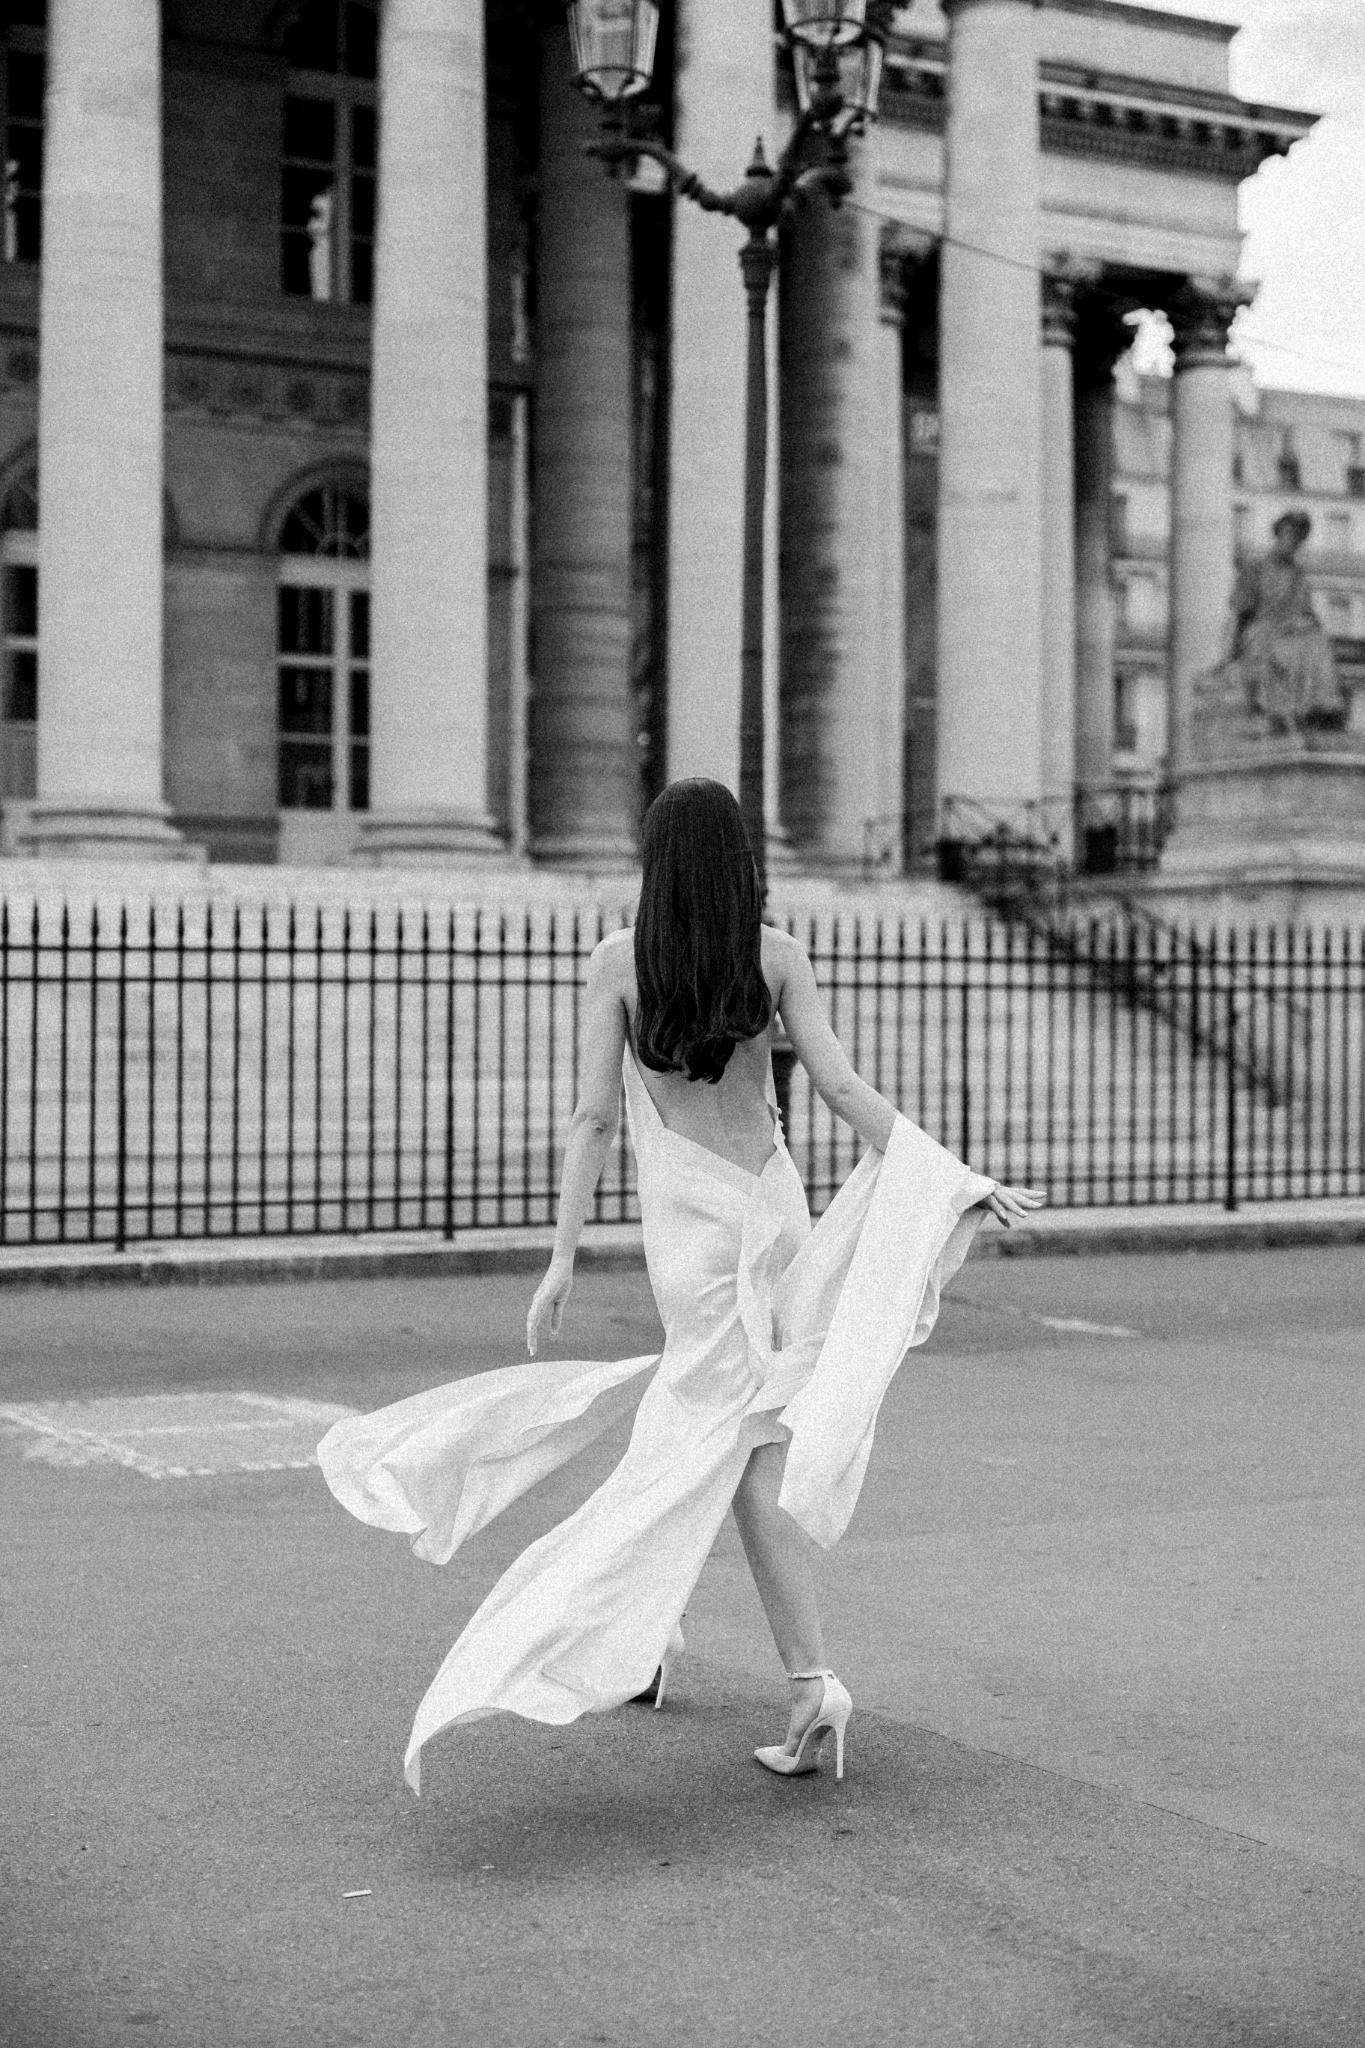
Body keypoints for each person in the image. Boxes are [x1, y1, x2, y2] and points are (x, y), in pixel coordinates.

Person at [319, 779, 1043, 1792]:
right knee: (716, 1427)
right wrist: (954, 1176)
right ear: (740, 859)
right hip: (772, 1206)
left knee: (726, 1441)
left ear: (656, 860)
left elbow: (594, 1119)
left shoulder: (619, 960)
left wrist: (562, 1254)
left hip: (690, 1236)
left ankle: (798, 1677)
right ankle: (660, 1642)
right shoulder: (775, 953)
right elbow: (839, 1088)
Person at [1229, 510, 1346, 734]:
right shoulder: (1256, 567)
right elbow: (1242, 612)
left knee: (1317, 642)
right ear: (1279, 535)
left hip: (1292, 632)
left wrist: (1304, 623)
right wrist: (1233, 650)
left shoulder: (1298, 575)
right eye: (1289, 534)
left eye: (1298, 538)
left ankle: (1322, 707)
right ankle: (1284, 711)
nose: (1293, 542)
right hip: (1261, 629)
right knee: (1278, 645)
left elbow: (1308, 613)